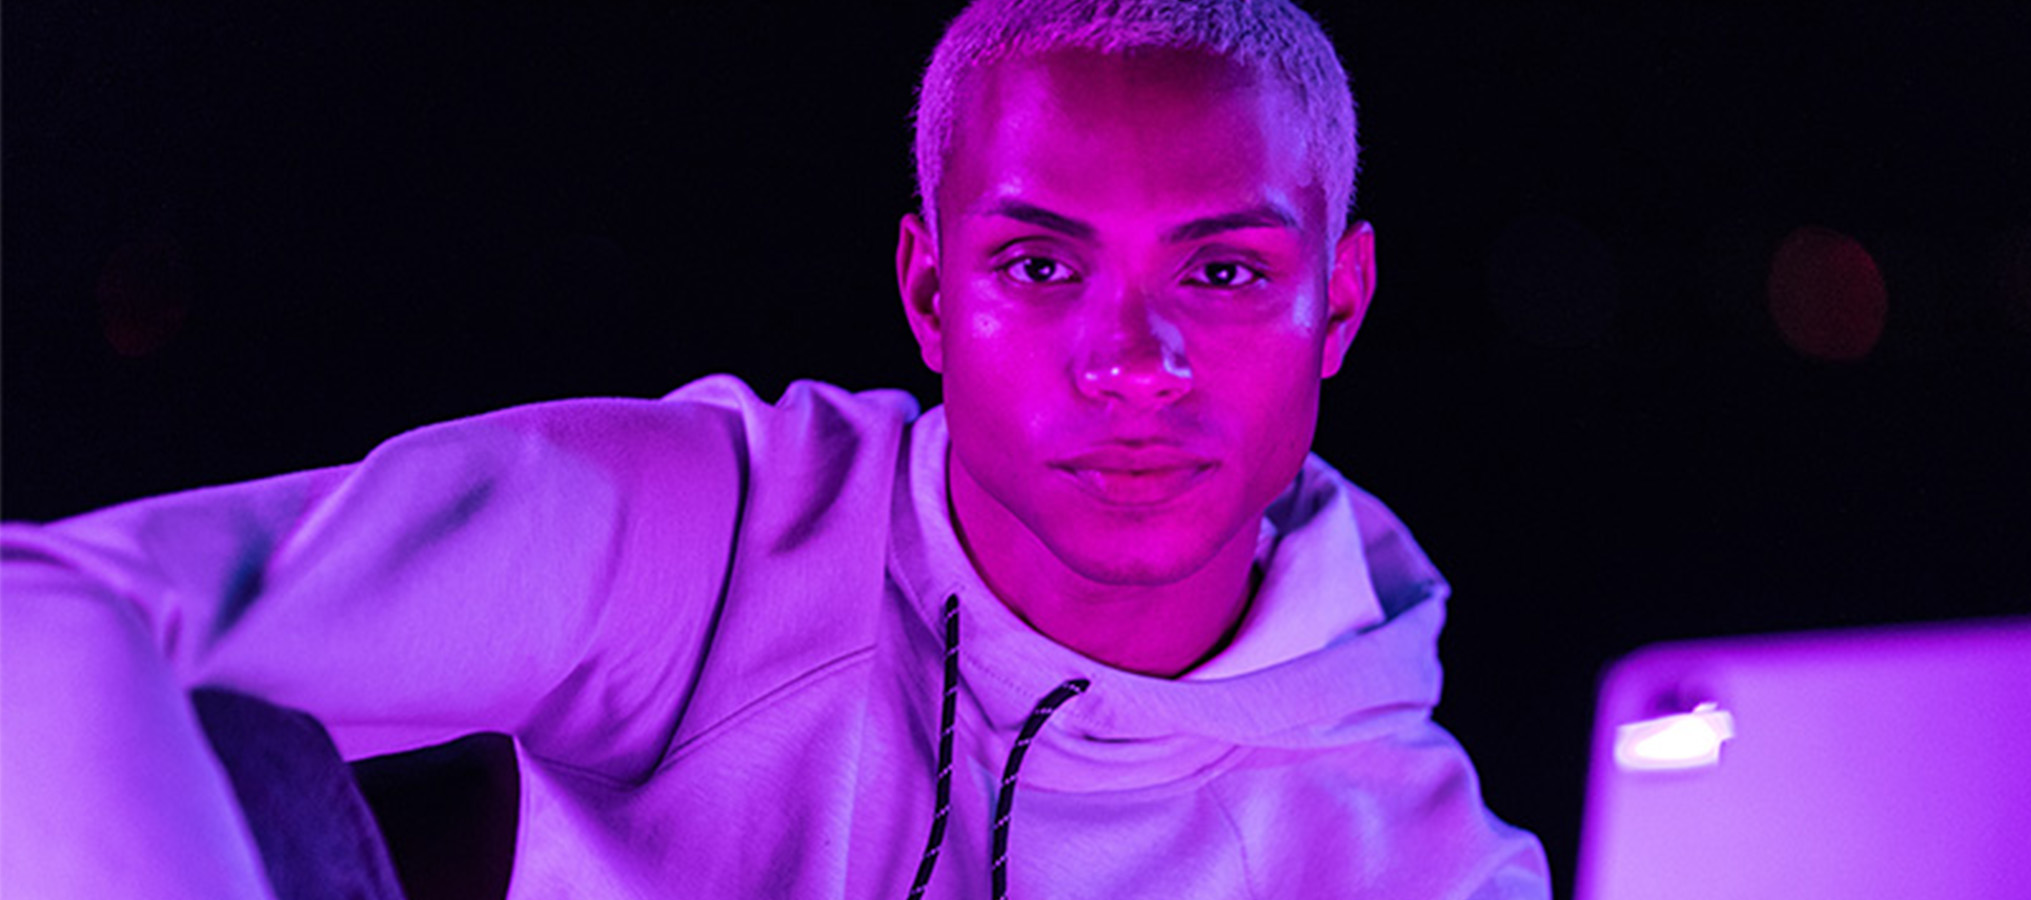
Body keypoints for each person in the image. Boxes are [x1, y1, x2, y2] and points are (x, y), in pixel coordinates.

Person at [0, 0, 1551, 897]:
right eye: (1040, 267)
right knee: (231, 749)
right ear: (931, 293)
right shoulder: (715, 532)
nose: (1131, 366)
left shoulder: (1423, 859)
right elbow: (47, 609)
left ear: (1333, 302)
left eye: (1218, 274)